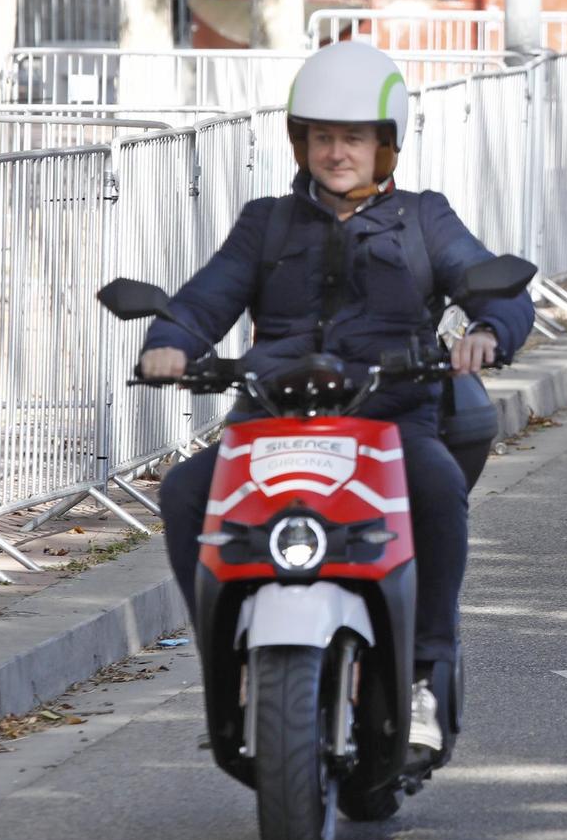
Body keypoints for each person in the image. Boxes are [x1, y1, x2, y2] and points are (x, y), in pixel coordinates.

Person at [142, 41, 535, 760]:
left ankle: (424, 671)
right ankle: (226, 665)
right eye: (321, 136)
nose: (335, 151)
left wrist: (486, 329)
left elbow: (494, 284)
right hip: (270, 417)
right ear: (301, 141)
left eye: (353, 136)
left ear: (386, 143)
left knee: (440, 485)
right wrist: (171, 339)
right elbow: (206, 297)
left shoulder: (424, 218)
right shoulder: (266, 221)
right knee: (184, 491)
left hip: (387, 418)